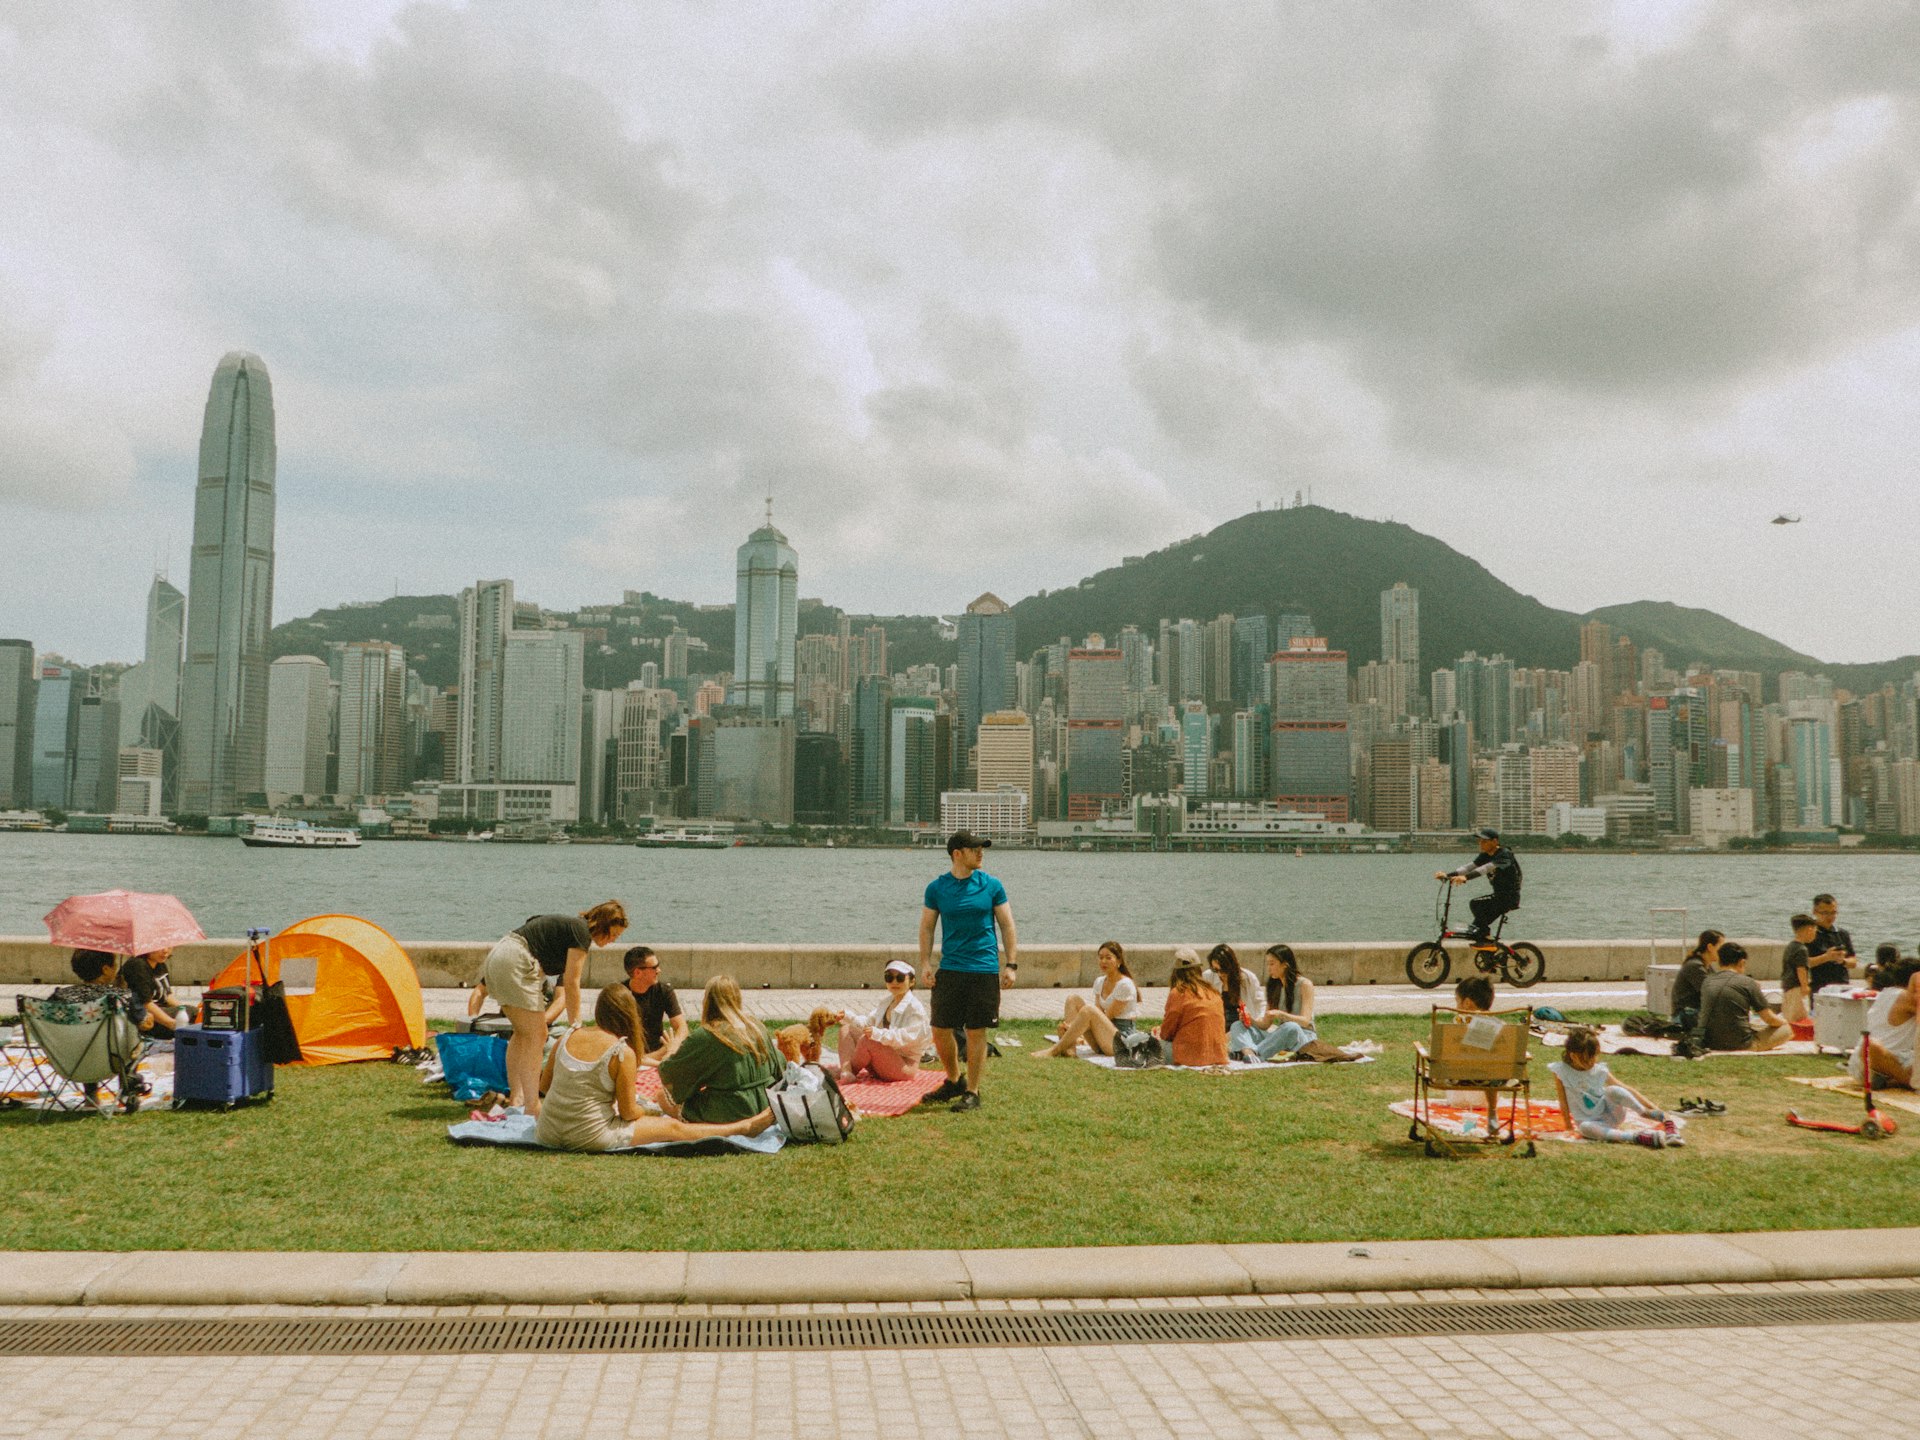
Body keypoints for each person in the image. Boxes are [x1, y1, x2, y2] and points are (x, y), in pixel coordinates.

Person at [534, 985, 773, 1151]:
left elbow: (544, 1087)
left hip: (547, 1131)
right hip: (590, 1135)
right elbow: (628, 1114)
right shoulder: (621, 1052)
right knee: (672, 1128)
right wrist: (644, 1111)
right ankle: (743, 1128)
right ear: (629, 1014)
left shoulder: (567, 1036)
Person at [481, 900, 628, 1118]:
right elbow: (572, 981)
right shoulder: (581, 932)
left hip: (500, 956)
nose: (613, 940)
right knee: (537, 1034)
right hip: (515, 958)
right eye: (612, 934)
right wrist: (576, 1023)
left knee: (523, 1033)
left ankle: (518, 1098)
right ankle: (532, 1105)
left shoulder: (568, 927)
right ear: (602, 925)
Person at [918, 830, 1017, 1113]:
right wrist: (925, 964)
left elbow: (1007, 925)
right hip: (950, 968)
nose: (981, 852)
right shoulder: (936, 888)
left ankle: (973, 1091)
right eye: (975, 848)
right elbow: (927, 927)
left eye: (982, 848)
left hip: (983, 969)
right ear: (957, 854)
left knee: (975, 1031)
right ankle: (953, 1080)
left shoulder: (991, 885)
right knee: (939, 1028)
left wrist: (1010, 964)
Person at [657, 975, 783, 1123]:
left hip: (733, 1111)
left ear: (707, 1001)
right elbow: (780, 1065)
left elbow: (670, 1073)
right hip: (767, 1104)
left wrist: (671, 1049)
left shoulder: (708, 1035)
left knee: (662, 1096)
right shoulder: (757, 1026)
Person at [1550, 1027, 1682, 1149]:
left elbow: (1625, 1089)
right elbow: (1563, 1100)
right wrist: (1568, 1126)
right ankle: (1638, 1137)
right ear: (1573, 1056)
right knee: (1584, 1128)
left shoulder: (1599, 1070)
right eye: (1586, 1059)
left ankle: (1664, 1120)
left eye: (1594, 1057)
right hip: (1589, 1122)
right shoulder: (1561, 1071)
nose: (1591, 1063)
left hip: (1611, 1115)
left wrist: (1651, 1108)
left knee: (1613, 1090)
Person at [1035, 942, 1139, 1058]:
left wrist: (1074, 1028)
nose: (1103, 961)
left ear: (1119, 961)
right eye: (1100, 958)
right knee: (1073, 999)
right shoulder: (1100, 982)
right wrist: (1075, 1029)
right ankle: (1070, 1049)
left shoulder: (1125, 985)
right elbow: (1099, 1014)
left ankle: (1054, 1050)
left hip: (1121, 1042)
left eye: (1108, 958)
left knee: (1088, 1010)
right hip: (1103, 1037)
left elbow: (1106, 1017)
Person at [837, 959, 933, 1080]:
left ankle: (848, 1072)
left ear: (912, 981)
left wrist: (878, 1034)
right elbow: (868, 1023)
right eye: (889, 977)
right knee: (846, 1029)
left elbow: (905, 1037)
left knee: (869, 1040)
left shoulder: (915, 1009)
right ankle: (846, 1072)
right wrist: (847, 1016)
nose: (894, 982)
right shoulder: (887, 1002)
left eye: (900, 978)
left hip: (903, 1068)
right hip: (881, 1061)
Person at [1693, 941, 1791, 1052]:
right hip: (1740, 1043)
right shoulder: (1747, 982)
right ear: (1742, 962)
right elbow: (1769, 1018)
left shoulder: (1707, 981)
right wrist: (1785, 1022)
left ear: (1720, 962)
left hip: (1708, 1042)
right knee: (1787, 1029)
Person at [1229, 944, 1317, 1062]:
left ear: (1285, 965)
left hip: (1302, 1037)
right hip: (1281, 1036)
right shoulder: (1274, 987)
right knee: (1237, 1025)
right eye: (1268, 964)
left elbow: (1305, 1021)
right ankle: (1248, 1052)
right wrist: (1251, 1020)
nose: (1269, 968)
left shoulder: (1305, 985)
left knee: (1291, 1027)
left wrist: (1281, 1014)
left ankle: (1251, 1053)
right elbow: (1265, 1025)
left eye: (1272, 964)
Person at [1436, 826, 1522, 944]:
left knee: (1476, 904)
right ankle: (1487, 946)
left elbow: (1486, 868)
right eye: (1480, 841)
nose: (1481, 844)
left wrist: (1466, 878)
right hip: (1499, 896)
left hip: (1509, 897)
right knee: (1476, 929)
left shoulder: (1504, 854)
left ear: (1495, 841)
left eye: (1485, 841)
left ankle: (1485, 936)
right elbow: (1469, 867)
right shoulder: (1485, 855)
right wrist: (1448, 875)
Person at [1848, 954, 1919, 1089]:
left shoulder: (1887, 992)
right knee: (1872, 1046)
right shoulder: (1906, 997)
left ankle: (1892, 1080)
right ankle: (1909, 1082)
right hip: (1878, 1058)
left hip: (1887, 1060)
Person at [1153, 948, 1227, 1067]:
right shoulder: (1214, 992)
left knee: (1148, 1044)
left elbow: (1167, 1033)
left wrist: (1157, 1034)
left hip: (1189, 1056)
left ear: (1175, 973)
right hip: (1218, 1055)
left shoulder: (1179, 993)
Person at [622, 945, 688, 1065]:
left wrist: (674, 1045)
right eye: (654, 967)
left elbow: (682, 1027)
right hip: (628, 1057)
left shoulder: (664, 991)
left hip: (659, 1052)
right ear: (637, 972)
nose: (659, 970)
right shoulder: (619, 995)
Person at [119, 948, 186, 1037]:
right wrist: (173, 1024)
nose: (165, 951)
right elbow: (146, 1003)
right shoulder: (138, 966)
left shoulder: (159, 964)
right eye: (160, 947)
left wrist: (183, 1009)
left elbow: (167, 995)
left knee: (192, 1013)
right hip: (142, 1017)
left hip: (158, 1009)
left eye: (169, 946)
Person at [1204, 943, 1264, 1039]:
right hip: (1218, 1027)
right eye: (1215, 970)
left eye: (1223, 969)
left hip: (1242, 1028)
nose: (1220, 973)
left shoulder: (1248, 978)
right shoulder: (1208, 977)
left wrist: (1258, 1022)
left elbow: (1260, 1003)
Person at [1671, 929, 1722, 1032]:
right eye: (1720, 948)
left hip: (1693, 1013)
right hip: (1685, 1015)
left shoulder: (1706, 966)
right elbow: (1711, 992)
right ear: (1710, 947)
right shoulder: (1695, 966)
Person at [1808, 894, 1857, 993]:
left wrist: (1843, 961)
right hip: (1818, 988)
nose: (1830, 917)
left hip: (1842, 986)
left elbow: (1853, 961)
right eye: (1825, 913)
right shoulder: (1809, 934)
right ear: (1815, 912)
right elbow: (1804, 963)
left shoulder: (1842, 934)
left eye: (1833, 913)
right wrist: (1826, 957)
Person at [1779, 914, 1817, 1025]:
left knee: (1789, 1015)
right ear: (1809, 929)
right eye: (1815, 930)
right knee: (1799, 1018)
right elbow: (1801, 969)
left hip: (1787, 985)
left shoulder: (1791, 946)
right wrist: (1805, 986)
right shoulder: (1802, 949)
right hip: (1797, 987)